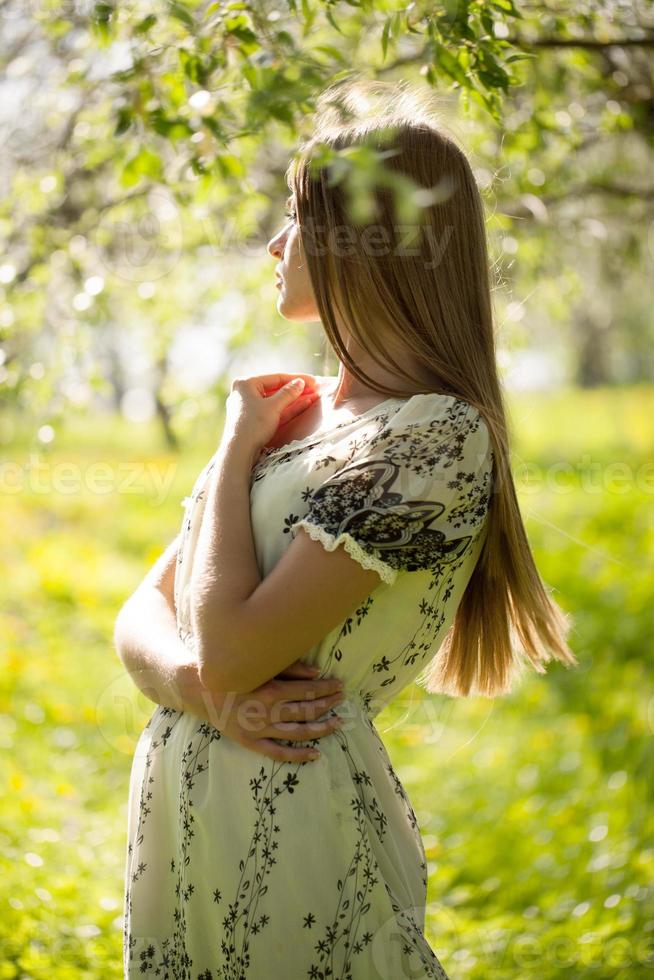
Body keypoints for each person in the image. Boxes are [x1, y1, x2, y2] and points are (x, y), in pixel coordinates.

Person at [115, 77, 577, 979]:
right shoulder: (297, 417)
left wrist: (234, 448)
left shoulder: (435, 435)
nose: (274, 244)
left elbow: (234, 650)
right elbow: (140, 615)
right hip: (185, 807)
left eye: (296, 216)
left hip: (293, 815)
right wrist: (204, 694)